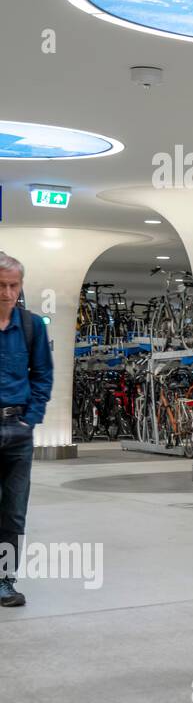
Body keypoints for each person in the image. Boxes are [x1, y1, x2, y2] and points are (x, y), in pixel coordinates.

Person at [0, 252, 54, 608]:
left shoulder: (33, 326)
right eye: (1, 285)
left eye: (13, 285)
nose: (7, 292)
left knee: (13, 513)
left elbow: (43, 376)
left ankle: (5, 580)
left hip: (17, 431)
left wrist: (29, 419)